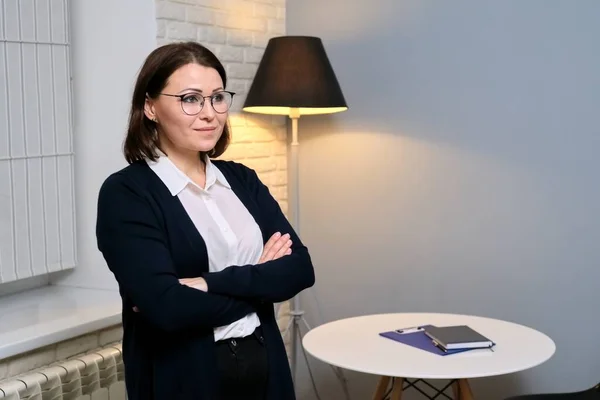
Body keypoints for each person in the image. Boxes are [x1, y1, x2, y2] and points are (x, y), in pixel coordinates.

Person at [95, 41, 315, 400]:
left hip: (266, 371)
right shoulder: (127, 194)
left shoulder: (242, 180)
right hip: (185, 380)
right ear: (150, 107)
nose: (209, 112)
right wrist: (261, 283)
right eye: (190, 98)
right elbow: (167, 308)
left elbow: (301, 269)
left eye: (217, 97)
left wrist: (205, 284)